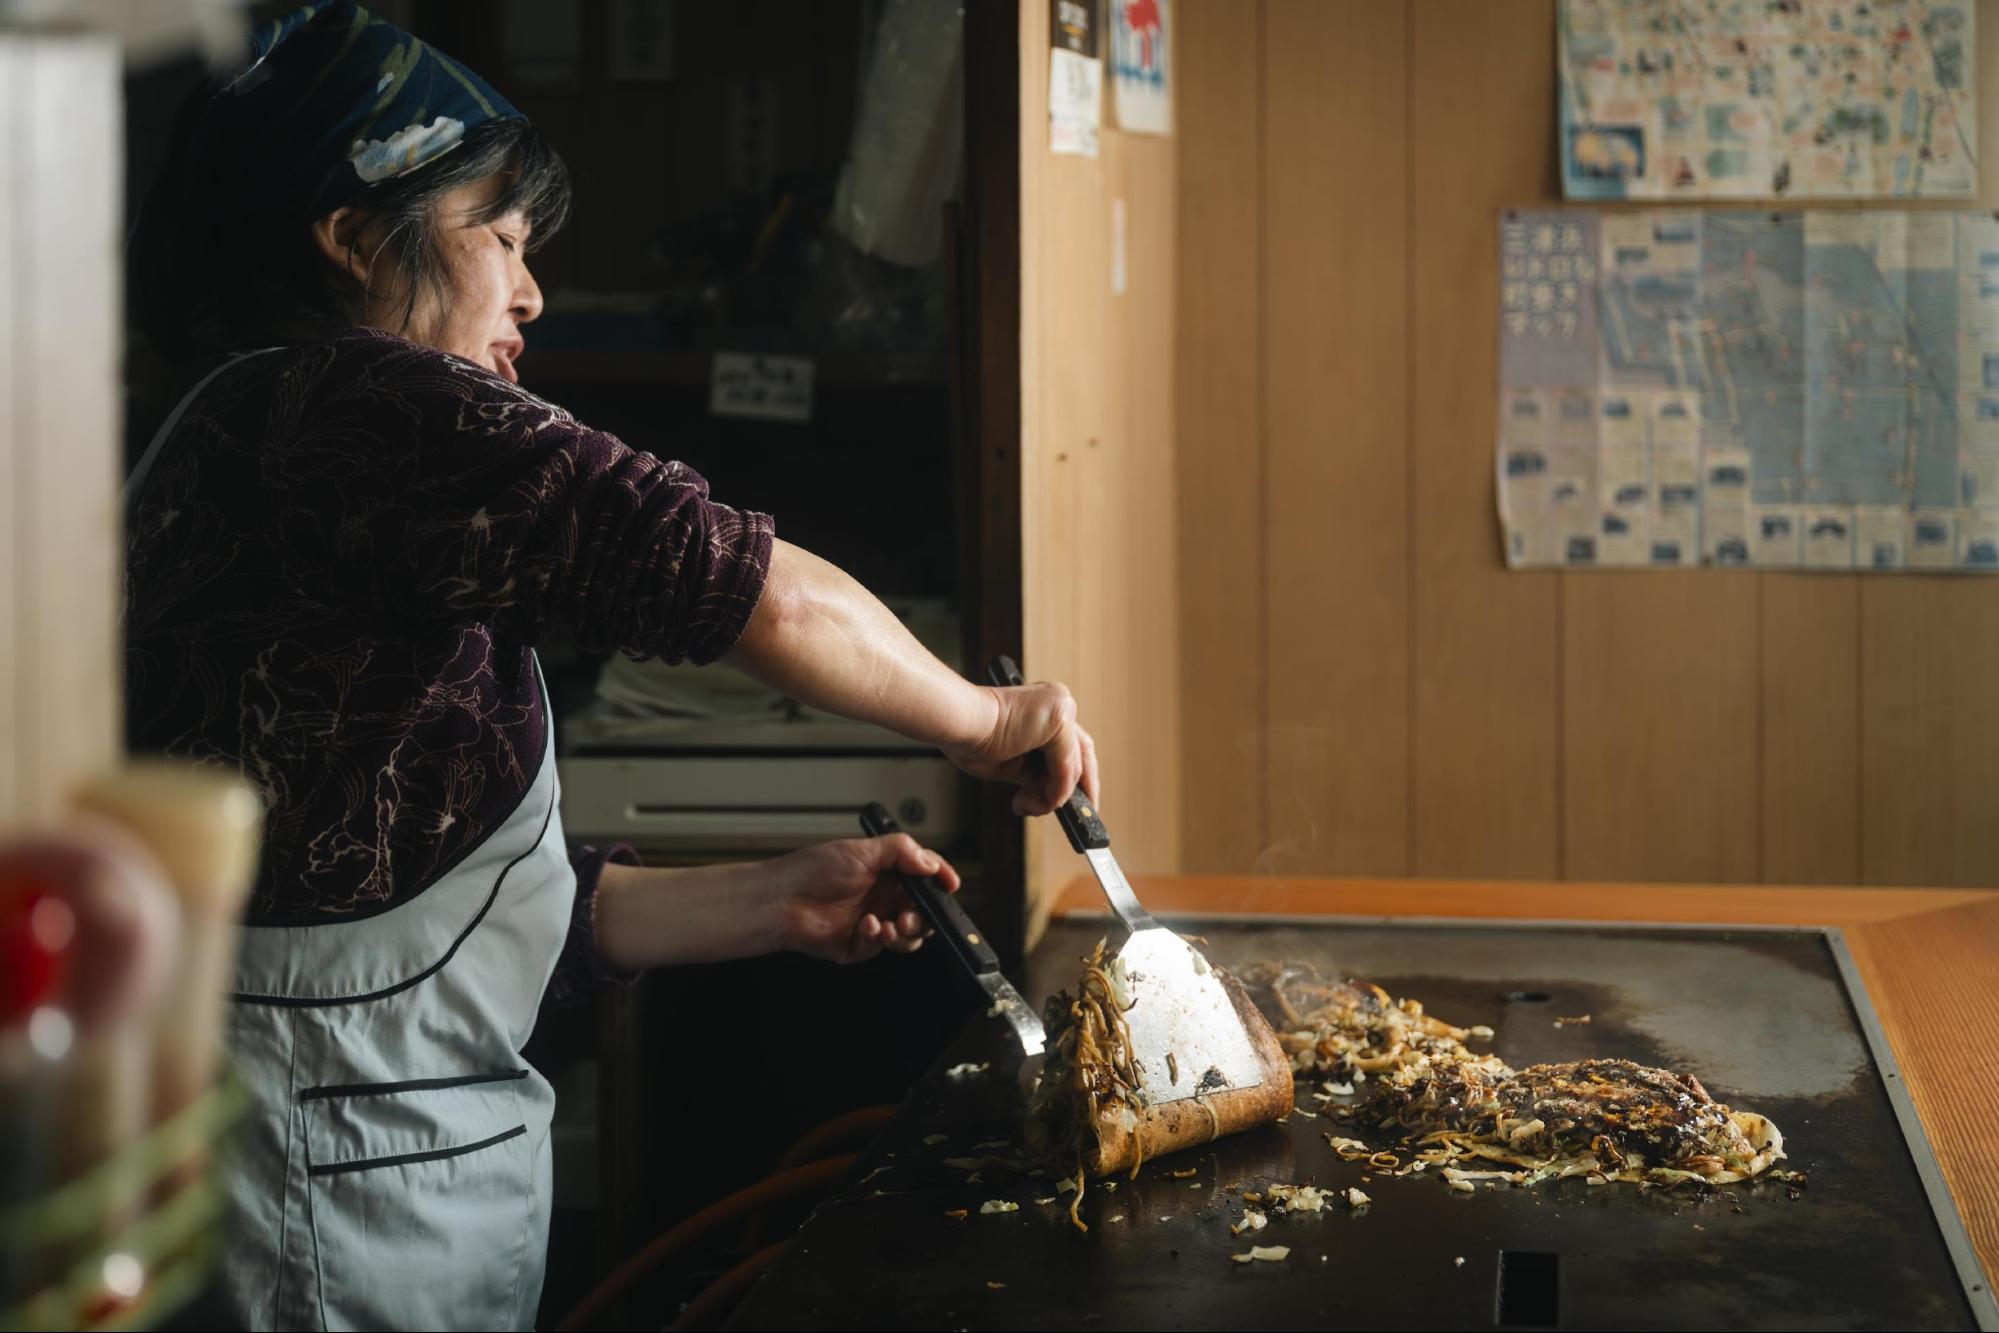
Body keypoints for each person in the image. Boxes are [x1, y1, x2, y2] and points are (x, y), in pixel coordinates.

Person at [122, 5, 1096, 1328]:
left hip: (353, 1177)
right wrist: (983, 716)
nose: (530, 292)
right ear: (353, 239)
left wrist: (774, 899)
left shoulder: (255, 434)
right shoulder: (346, 404)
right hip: (324, 1213)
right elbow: (721, 573)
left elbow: (439, 927)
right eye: (499, 238)